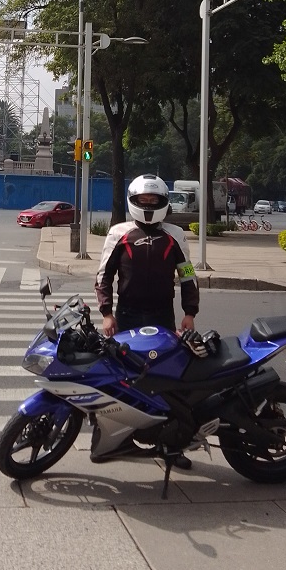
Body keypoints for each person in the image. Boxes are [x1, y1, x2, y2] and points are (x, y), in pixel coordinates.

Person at [94, 173, 200, 469]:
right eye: (144, 200)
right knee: (122, 376)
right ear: (134, 201)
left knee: (167, 378)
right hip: (126, 315)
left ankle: (172, 443)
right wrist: (106, 313)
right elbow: (104, 276)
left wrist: (189, 313)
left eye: (154, 200)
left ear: (164, 202)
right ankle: (118, 434)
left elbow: (188, 275)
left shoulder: (175, 235)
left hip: (162, 317)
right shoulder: (119, 233)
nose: (149, 204)